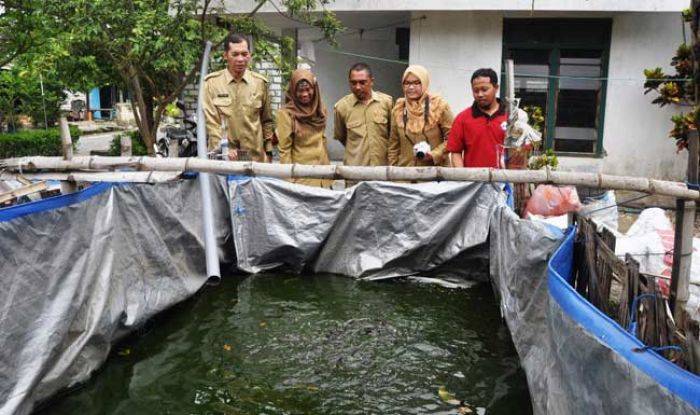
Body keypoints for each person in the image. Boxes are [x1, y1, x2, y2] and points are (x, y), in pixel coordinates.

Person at [203, 33, 275, 162]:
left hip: (255, 159)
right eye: (235, 54)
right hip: (224, 159)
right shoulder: (212, 83)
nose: (240, 59)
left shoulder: (260, 83)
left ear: (250, 55)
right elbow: (212, 123)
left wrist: (268, 152)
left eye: (244, 54)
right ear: (225, 56)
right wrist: (224, 149)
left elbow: (267, 121)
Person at [276, 69, 332, 188]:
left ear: (314, 88)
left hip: (324, 176)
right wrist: (289, 181)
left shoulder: (321, 110)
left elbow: (322, 140)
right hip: (302, 179)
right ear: (293, 91)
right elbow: (284, 150)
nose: (305, 94)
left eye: (308, 89)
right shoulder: (286, 114)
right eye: (300, 90)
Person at [388, 65, 453, 167]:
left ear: (424, 83)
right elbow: (393, 145)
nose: (411, 87)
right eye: (407, 83)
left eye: (417, 83)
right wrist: (393, 170)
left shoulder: (439, 106)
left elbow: (452, 138)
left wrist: (434, 155)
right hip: (405, 175)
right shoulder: (399, 108)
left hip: (435, 174)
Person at [334, 63, 393, 171]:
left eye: (362, 82)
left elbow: (393, 135)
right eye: (353, 83)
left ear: (371, 81)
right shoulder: (341, 107)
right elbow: (342, 137)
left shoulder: (386, 103)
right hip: (354, 171)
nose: (357, 87)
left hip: (382, 171)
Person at [446, 68, 508, 168]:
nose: (480, 94)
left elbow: (520, 152)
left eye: (484, 89)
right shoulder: (462, 118)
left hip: (505, 181)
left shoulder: (510, 117)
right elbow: (455, 152)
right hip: (472, 181)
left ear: (496, 88)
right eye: (475, 91)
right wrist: (463, 177)